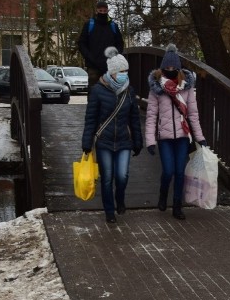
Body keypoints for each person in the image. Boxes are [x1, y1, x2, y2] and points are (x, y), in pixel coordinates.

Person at [144, 44, 207, 220]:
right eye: (167, 67)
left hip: (182, 137)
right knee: (168, 171)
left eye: (173, 68)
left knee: (180, 172)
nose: (170, 70)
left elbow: (193, 114)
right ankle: (163, 194)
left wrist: (200, 137)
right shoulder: (156, 88)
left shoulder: (187, 87)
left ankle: (177, 206)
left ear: (178, 68)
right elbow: (150, 116)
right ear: (163, 68)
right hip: (164, 138)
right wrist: (150, 140)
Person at [81, 47, 143, 224]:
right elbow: (91, 119)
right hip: (104, 142)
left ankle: (120, 199)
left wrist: (138, 141)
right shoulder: (98, 91)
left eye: (126, 71)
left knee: (122, 176)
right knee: (107, 178)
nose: (125, 74)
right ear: (113, 72)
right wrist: (87, 142)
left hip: (124, 140)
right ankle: (109, 211)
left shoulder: (129, 91)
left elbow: (134, 119)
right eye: (122, 71)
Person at [77, 0, 124, 90]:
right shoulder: (89, 25)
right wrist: (89, 57)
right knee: (93, 91)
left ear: (107, 11)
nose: (102, 12)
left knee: (110, 91)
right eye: (100, 11)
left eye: (104, 11)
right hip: (93, 65)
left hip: (110, 66)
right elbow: (81, 43)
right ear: (96, 11)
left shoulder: (113, 26)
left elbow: (120, 43)